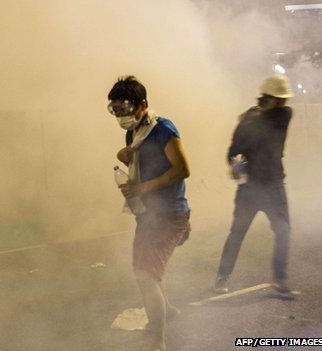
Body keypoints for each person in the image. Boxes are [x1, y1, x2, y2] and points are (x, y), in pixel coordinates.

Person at [109, 76, 191, 351]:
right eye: (116, 110)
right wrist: (126, 160)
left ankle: (157, 340)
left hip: (168, 214)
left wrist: (143, 187)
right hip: (148, 215)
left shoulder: (162, 129)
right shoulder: (135, 132)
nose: (121, 116)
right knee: (145, 272)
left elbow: (182, 169)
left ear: (142, 104)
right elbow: (136, 157)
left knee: (146, 274)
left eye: (125, 109)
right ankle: (168, 313)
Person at [214, 75, 297, 299]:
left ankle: (280, 280)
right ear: (268, 98)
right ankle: (222, 276)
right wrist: (236, 168)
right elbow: (233, 153)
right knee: (237, 233)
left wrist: (251, 116)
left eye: (282, 100)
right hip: (250, 188)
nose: (283, 103)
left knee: (283, 230)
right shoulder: (248, 121)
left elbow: (270, 119)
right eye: (278, 99)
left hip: (273, 186)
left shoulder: (282, 115)